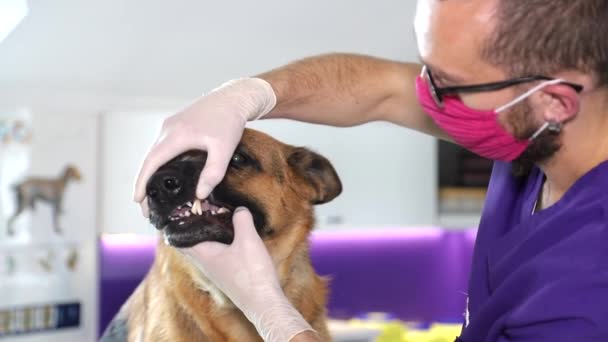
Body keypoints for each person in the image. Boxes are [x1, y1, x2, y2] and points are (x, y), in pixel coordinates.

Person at [133, 0, 608, 341]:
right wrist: (242, 97)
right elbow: (380, 87)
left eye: (448, 85)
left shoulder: (587, 290)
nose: (424, 94)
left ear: (554, 101)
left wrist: (272, 314)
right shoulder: (532, 134)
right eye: (427, 69)